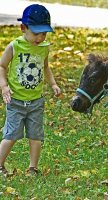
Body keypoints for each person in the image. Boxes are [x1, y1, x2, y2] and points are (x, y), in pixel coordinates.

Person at [0, 4, 61, 176]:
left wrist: (53, 84)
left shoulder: (43, 48)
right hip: (15, 100)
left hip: (36, 101)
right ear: (23, 28)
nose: (40, 37)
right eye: (36, 33)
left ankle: (32, 168)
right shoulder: (15, 46)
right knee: (11, 135)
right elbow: (2, 66)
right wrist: (4, 86)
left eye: (44, 33)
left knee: (36, 137)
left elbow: (46, 67)